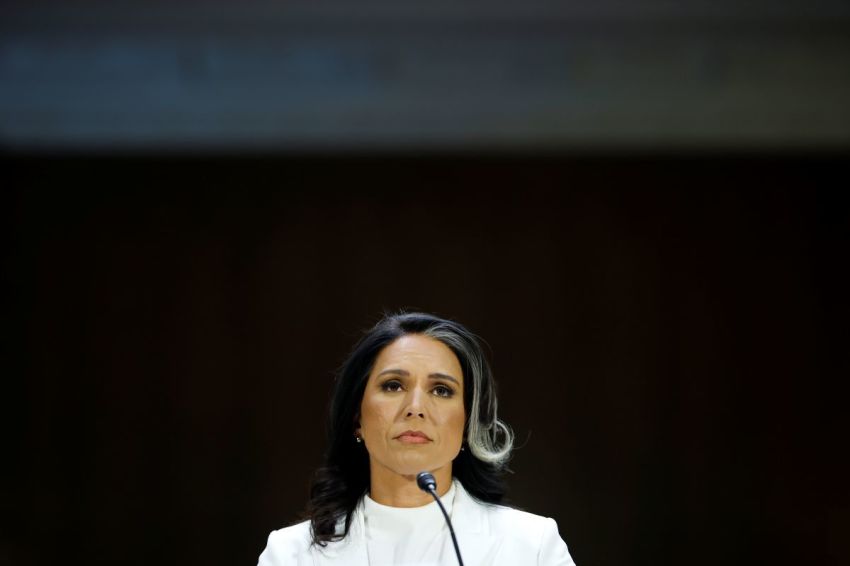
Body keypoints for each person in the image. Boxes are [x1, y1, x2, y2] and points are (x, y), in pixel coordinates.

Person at [258, 312, 577, 566]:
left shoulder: (532, 547)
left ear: (467, 424)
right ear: (357, 418)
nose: (415, 408)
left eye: (441, 390)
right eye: (393, 385)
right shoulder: (291, 554)